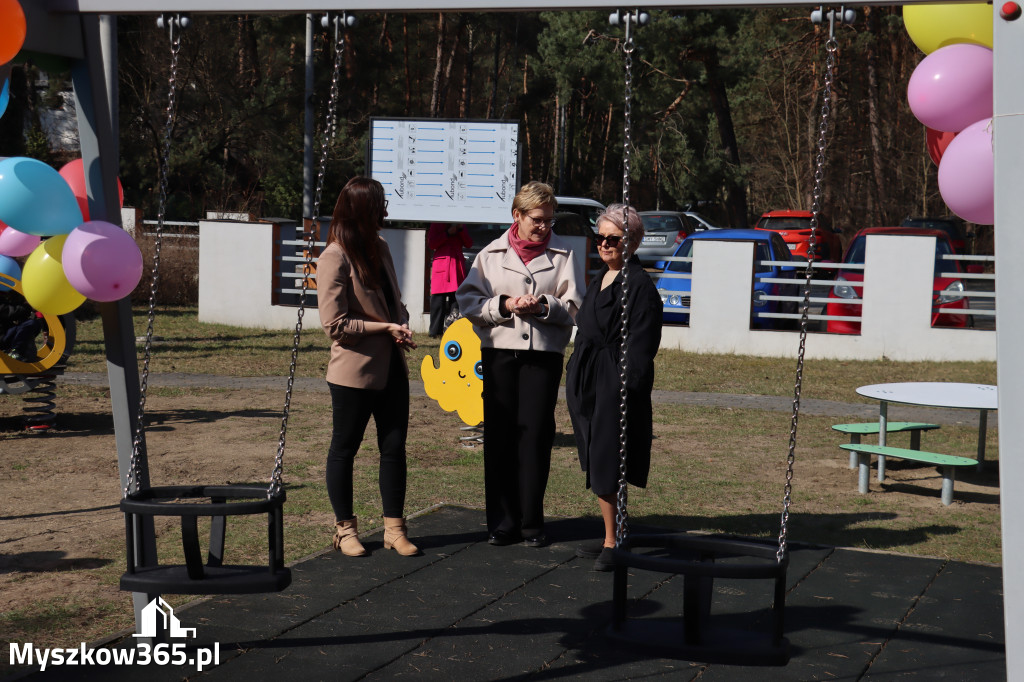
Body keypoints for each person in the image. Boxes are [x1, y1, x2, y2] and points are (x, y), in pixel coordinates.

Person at [456, 181, 583, 548]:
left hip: (542, 359)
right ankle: (501, 523)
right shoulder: (490, 254)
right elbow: (468, 300)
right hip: (498, 355)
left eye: (549, 220)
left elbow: (574, 305)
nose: (544, 227)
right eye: (537, 219)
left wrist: (543, 306)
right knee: (498, 438)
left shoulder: (564, 255)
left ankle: (531, 523)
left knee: (535, 437)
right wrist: (505, 306)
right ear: (517, 216)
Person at [317, 176, 420, 558]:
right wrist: (385, 327)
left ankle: (395, 529)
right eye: (379, 206)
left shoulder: (379, 246)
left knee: (394, 449)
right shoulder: (334, 256)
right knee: (344, 449)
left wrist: (401, 323)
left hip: (393, 368)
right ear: (362, 210)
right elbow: (335, 325)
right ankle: (345, 530)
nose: (386, 213)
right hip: (353, 375)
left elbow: (394, 301)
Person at [565, 204, 662, 571]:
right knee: (596, 456)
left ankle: (613, 540)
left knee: (608, 460)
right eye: (600, 238)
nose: (605, 245)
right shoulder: (601, 277)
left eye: (613, 239)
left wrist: (622, 387)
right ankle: (616, 531)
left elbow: (640, 347)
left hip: (613, 383)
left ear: (632, 242)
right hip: (589, 378)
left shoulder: (638, 287)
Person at [426, 222, 473, 338]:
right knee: (438, 301)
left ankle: (454, 329)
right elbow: (432, 244)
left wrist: (461, 229)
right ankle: (435, 332)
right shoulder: (436, 223)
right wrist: (447, 233)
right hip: (442, 265)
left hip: (456, 266)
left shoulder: (461, 225)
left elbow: (468, 243)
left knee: (456, 301)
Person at [0, 287, 42, 363]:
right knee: (31, 324)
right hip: (2, 336)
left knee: (32, 323)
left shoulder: (5, 297)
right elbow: (8, 311)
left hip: (6, 332)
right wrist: (28, 306)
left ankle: (16, 351)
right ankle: (15, 351)